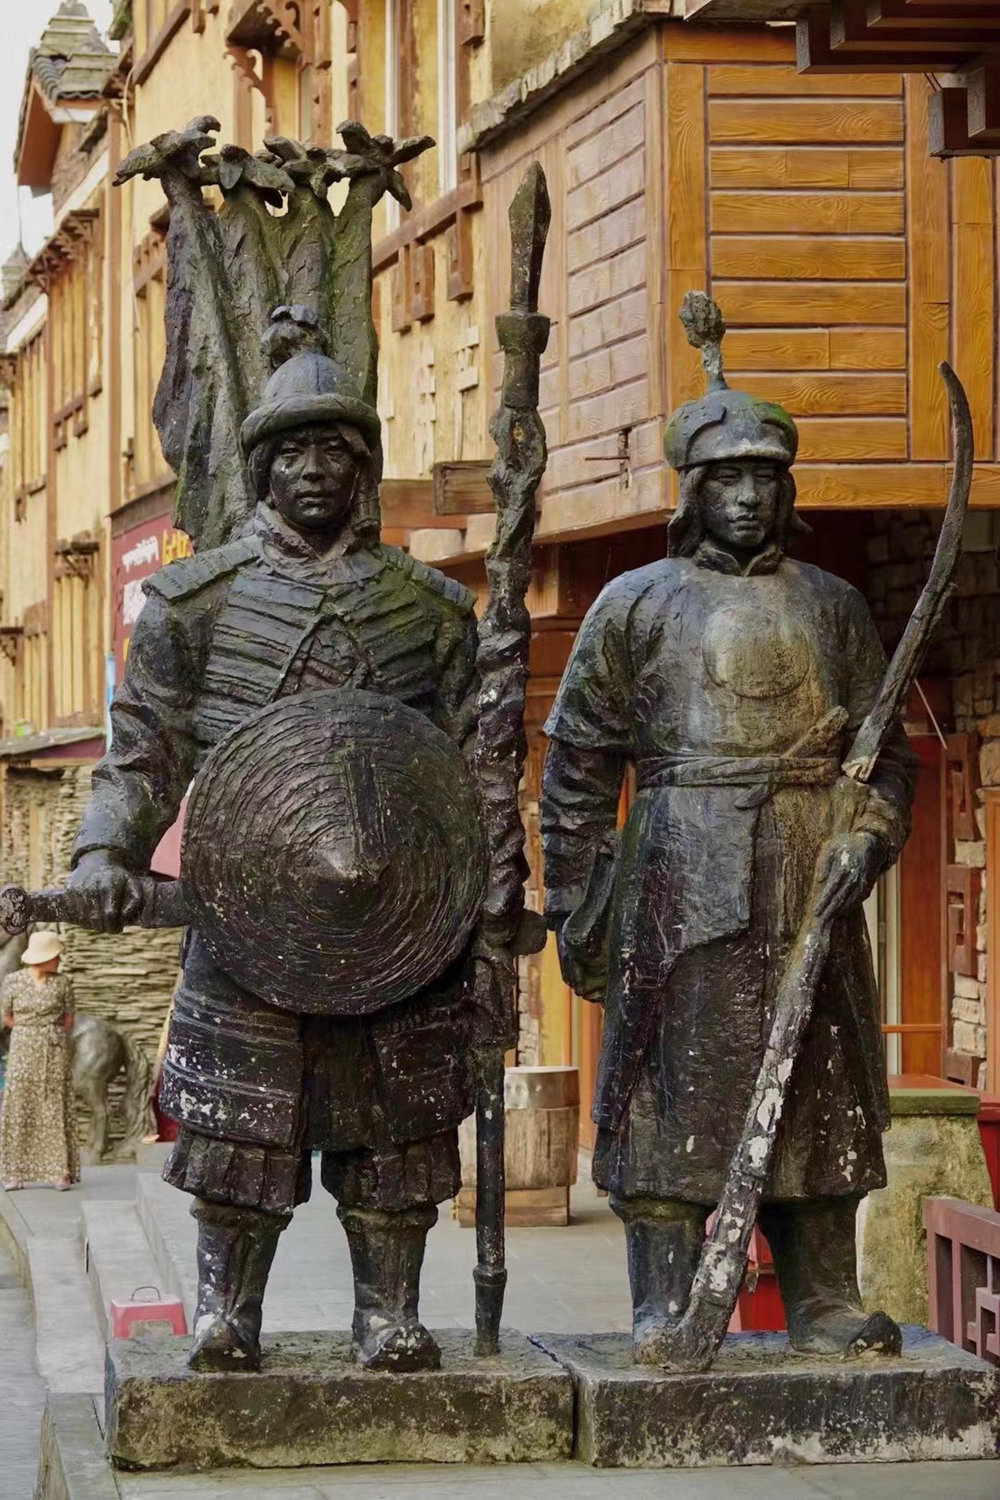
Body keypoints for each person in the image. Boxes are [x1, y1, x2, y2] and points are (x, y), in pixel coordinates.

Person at [62, 307, 479, 1374]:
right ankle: (225, 1313)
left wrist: (494, 891)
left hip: (394, 918)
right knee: (239, 1134)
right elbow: (141, 752)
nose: (313, 473)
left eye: (333, 452)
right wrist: (105, 854)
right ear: (261, 469)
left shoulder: (429, 609)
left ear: (362, 467)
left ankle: (388, 1313)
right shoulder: (193, 603)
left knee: (396, 1133)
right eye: (291, 454)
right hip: (249, 920)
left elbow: (474, 767)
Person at [540, 296, 915, 1364]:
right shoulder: (634, 604)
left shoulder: (834, 605)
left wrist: (868, 833)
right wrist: (580, 902)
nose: (747, 497)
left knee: (817, 1082)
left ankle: (823, 1299)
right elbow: (576, 770)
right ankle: (662, 1303)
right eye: (726, 480)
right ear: (692, 493)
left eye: (763, 479)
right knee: (672, 1087)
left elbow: (886, 754)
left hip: (809, 873)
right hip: (679, 875)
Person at [0, 930, 79, 1191]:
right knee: (19, 1106)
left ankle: (60, 1171)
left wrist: (47, 1034)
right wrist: (29, 1031)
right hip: (22, 1050)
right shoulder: (13, 981)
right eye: (55, 956)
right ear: (44, 958)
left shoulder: (62, 983)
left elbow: (68, 1020)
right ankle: (14, 1172)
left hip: (53, 1050)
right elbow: (8, 1017)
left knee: (53, 1106)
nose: (59, 961)